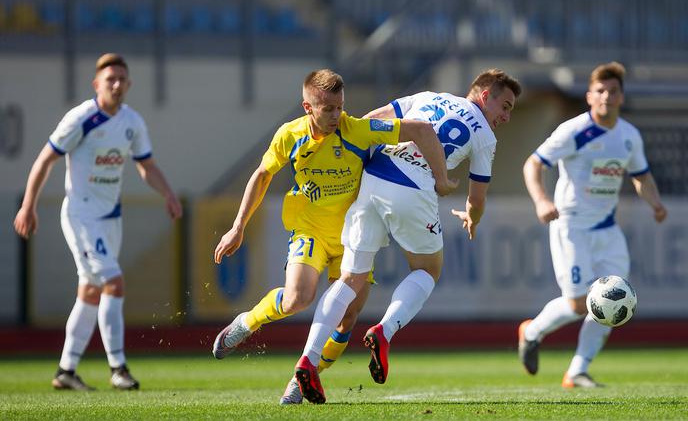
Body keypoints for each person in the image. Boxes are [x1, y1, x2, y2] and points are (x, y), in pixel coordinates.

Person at [211, 69, 455, 404]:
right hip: (310, 228)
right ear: (307, 107)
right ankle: (245, 324)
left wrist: (441, 175)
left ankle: (302, 378)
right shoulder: (290, 135)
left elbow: (417, 129)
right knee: (299, 297)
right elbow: (263, 174)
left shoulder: (356, 129)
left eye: (340, 107)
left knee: (348, 317)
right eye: (328, 109)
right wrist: (238, 226)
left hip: (353, 235)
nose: (337, 115)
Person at [292, 69, 522, 404]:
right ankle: (384, 331)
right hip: (414, 186)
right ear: (485, 95)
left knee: (350, 279)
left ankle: (308, 359)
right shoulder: (485, 135)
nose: (505, 116)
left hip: (373, 178)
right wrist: (472, 218)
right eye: (505, 105)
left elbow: (373, 119)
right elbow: (477, 197)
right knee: (428, 270)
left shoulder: (428, 97)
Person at [14, 53, 183, 391]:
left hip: (110, 218)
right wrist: (28, 205)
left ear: (129, 84)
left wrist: (168, 193)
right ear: (97, 84)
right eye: (110, 80)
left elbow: (145, 165)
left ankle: (66, 370)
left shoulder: (132, 121)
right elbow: (45, 159)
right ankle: (118, 367)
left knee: (91, 292)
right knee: (114, 282)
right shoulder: (81, 119)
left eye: (122, 79)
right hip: (81, 214)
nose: (117, 85)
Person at [519, 62, 667, 388]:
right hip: (570, 226)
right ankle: (531, 332)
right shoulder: (574, 131)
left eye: (613, 91)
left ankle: (577, 370)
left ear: (621, 97)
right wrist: (542, 200)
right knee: (575, 305)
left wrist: (654, 202)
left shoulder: (629, 136)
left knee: (613, 302)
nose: (607, 97)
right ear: (589, 96)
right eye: (600, 91)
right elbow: (534, 164)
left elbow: (642, 177)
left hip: (608, 229)